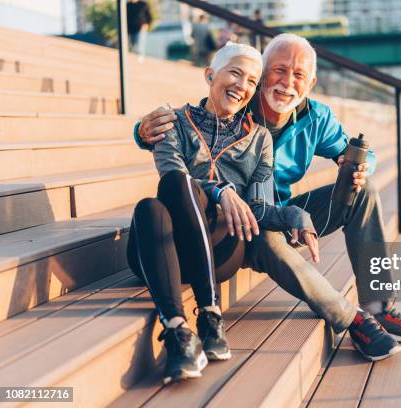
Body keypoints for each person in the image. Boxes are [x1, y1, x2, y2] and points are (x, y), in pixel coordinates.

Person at [133, 33, 401, 362]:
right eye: (278, 70)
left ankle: (380, 307)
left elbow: (361, 154)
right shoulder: (239, 96)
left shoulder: (317, 118)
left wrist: (361, 168)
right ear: (262, 73)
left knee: (365, 192)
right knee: (267, 233)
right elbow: (192, 130)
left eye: (299, 75)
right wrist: (142, 132)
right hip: (239, 223)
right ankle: (353, 320)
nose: (287, 82)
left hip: (278, 212)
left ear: (311, 82)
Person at [127, 43, 317, 384]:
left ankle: (201, 319)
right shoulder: (174, 121)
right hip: (165, 249)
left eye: (251, 81)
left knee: (167, 193)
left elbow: (258, 209)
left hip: (221, 250)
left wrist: (294, 217)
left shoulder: (260, 139)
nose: (242, 86)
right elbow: (172, 177)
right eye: (235, 73)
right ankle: (183, 329)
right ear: (210, 75)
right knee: (150, 207)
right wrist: (220, 190)